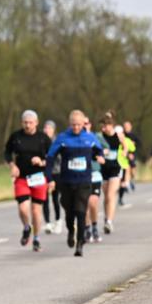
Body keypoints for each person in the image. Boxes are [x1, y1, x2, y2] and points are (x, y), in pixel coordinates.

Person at [45, 110, 105, 257]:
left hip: (84, 181)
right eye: (74, 125)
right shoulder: (63, 138)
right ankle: (71, 231)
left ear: (83, 124)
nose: (77, 128)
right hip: (66, 181)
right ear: (69, 124)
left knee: (80, 211)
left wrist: (100, 156)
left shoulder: (89, 137)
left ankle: (80, 243)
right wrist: (49, 178)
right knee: (69, 212)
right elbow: (50, 157)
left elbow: (99, 150)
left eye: (79, 125)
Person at [4, 110, 52, 252]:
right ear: (21, 123)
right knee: (23, 208)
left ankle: (36, 238)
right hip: (22, 177)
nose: (28, 125)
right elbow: (7, 153)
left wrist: (42, 162)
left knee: (36, 212)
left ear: (36, 123)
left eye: (30, 122)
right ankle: (26, 227)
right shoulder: (16, 136)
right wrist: (12, 165)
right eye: (25, 122)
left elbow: (52, 158)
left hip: (38, 177)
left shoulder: (43, 138)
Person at [96, 113, 134, 234]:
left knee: (111, 195)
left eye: (105, 126)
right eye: (101, 127)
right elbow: (95, 150)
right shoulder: (99, 137)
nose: (103, 129)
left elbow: (125, 146)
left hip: (115, 168)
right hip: (103, 169)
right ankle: (107, 217)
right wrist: (102, 152)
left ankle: (109, 222)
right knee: (106, 196)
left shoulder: (119, 135)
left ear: (111, 125)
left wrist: (124, 152)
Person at [82, 116, 106, 243]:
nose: (84, 125)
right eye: (82, 123)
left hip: (95, 174)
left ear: (90, 124)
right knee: (84, 204)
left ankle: (95, 226)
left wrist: (101, 156)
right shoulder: (76, 139)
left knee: (92, 203)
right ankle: (87, 229)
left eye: (86, 123)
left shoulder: (95, 137)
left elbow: (104, 149)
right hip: (81, 176)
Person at [122, 120, 142, 193]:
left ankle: (131, 180)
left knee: (132, 171)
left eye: (127, 126)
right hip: (124, 155)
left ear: (130, 127)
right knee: (127, 168)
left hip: (132, 154)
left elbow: (140, 144)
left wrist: (134, 146)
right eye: (125, 127)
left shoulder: (134, 136)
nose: (126, 128)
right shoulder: (122, 135)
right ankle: (126, 183)